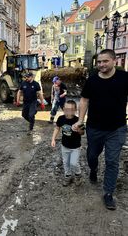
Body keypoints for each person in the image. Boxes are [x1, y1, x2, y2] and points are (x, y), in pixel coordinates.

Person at [73, 49, 128, 210]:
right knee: (92, 155)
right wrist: (80, 120)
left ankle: (108, 193)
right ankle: (94, 168)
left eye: (105, 61)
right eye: (99, 62)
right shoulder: (92, 81)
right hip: (94, 127)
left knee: (112, 160)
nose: (101, 65)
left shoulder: (124, 78)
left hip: (117, 129)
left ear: (114, 61)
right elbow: (84, 100)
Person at [51, 100, 84, 186]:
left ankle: (78, 175)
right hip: (64, 146)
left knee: (73, 163)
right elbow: (57, 128)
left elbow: (83, 132)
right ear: (63, 109)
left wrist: (78, 129)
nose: (68, 111)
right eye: (66, 109)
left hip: (75, 147)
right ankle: (68, 176)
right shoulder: (61, 118)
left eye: (71, 109)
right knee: (65, 162)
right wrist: (53, 139)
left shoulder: (78, 120)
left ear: (75, 110)